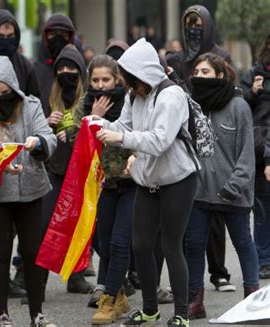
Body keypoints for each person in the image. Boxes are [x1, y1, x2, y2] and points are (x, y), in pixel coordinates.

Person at [91, 38, 197, 326]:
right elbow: (124, 127)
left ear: (144, 74)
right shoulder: (134, 95)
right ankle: (150, 310)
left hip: (178, 179)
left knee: (171, 245)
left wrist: (121, 138)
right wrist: (99, 124)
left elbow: (160, 140)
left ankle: (181, 315)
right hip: (148, 180)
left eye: (129, 78)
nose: (126, 85)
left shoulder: (171, 96)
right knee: (140, 246)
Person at [0, 55, 57, 327]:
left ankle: (36, 314)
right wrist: (0, 165)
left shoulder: (30, 106)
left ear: (14, 89)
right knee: (1, 252)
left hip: (31, 188)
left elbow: (50, 139)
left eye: (4, 93)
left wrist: (38, 142)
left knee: (31, 253)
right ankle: (2, 315)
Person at [186, 53, 259, 320]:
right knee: (193, 245)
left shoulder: (239, 106)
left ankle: (252, 302)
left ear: (220, 75)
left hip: (233, 194)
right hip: (199, 192)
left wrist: (234, 186)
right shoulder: (191, 105)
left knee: (243, 245)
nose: (199, 76)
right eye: (197, 71)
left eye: (205, 72)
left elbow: (246, 155)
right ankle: (195, 300)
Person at [170, 4, 235, 293]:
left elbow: (228, 91)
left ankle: (219, 272)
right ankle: (188, 275)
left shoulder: (222, 57)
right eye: (189, 24)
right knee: (189, 209)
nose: (193, 28)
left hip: (215, 138)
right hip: (186, 137)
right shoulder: (180, 59)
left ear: (207, 25)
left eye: (198, 23)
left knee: (216, 208)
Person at [72, 54, 135, 324]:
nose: (100, 86)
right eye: (95, 80)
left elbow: (143, 133)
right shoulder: (83, 105)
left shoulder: (130, 101)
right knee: (106, 243)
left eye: (106, 80)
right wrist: (92, 117)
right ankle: (120, 295)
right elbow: (75, 140)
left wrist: (134, 156)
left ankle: (108, 300)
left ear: (117, 79)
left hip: (131, 182)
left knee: (121, 241)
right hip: (101, 185)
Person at [41, 44, 94, 294]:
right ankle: (35, 280)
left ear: (80, 71)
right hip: (53, 171)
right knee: (43, 226)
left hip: (80, 173)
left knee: (77, 226)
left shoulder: (88, 100)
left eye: (71, 68)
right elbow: (35, 135)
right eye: (61, 68)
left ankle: (76, 275)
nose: (65, 72)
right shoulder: (48, 99)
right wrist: (46, 123)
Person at [240, 36, 270, 280]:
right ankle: (263, 260)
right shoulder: (254, 74)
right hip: (260, 150)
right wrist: (252, 91)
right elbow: (239, 107)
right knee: (261, 209)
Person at [34, 13, 76, 117]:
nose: (58, 39)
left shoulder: (78, 69)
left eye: (63, 35)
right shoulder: (33, 71)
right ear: (45, 37)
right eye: (53, 34)